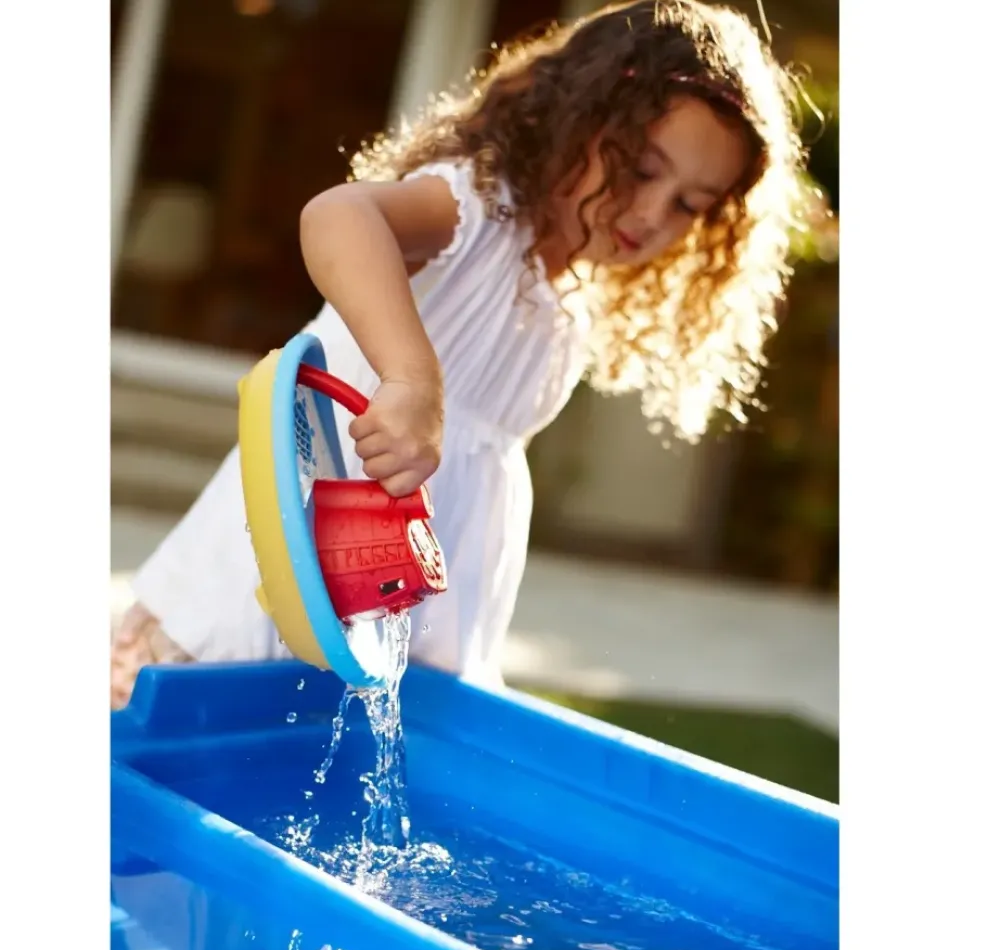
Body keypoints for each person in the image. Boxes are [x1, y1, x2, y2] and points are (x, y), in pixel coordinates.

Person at [111, 0, 807, 709]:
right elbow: (339, 216)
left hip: (404, 621)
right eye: (642, 168)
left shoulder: (567, 305)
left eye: (691, 204)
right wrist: (412, 378)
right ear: (581, 117)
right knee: (197, 746)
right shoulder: (476, 213)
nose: (654, 213)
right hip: (284, 576)